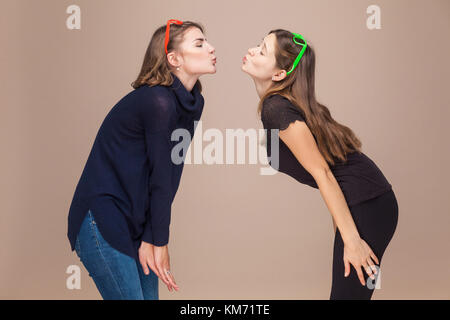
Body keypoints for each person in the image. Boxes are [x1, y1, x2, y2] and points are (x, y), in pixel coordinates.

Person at [241, 29, 398, 299]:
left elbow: (323, 173)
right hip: (362, 204)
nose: (253, 50)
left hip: (369, 204)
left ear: (279, 74)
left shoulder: (277, 109)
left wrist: (351, 240)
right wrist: (343, 229)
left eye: (262, 50)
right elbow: (332, 173)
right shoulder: (281, 106)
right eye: (258, 45)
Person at [67, 19, 216, 300]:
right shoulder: (157, 101)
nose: (211, 48)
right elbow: (161, 176)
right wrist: (160, 241)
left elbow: (172, 173)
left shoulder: (193, 102)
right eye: (200, 44)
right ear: (174, 59)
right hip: (101, 220)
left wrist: (151, 236)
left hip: (135, 222)